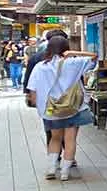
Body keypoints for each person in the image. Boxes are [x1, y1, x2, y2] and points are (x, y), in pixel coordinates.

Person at [26, 35, 97, 181]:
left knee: (55, 138)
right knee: (70, 139)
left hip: (51, 109)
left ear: (49, 48)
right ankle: (65, 172)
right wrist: (74, 54)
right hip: (72, 108)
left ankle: (51, 168)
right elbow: (95, 57)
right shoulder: (73, 62)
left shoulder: (40, 67)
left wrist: (37, 106)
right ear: (66, 48)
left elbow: (32, 90)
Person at [25, 30, 78, 172]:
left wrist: (34, 102)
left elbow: (30, 84)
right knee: (70, 137)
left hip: (49, 106)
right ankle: (68, 163)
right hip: (71, 105)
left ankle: (53, 164)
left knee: (53, 135)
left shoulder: (37, 60)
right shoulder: (73, 61)